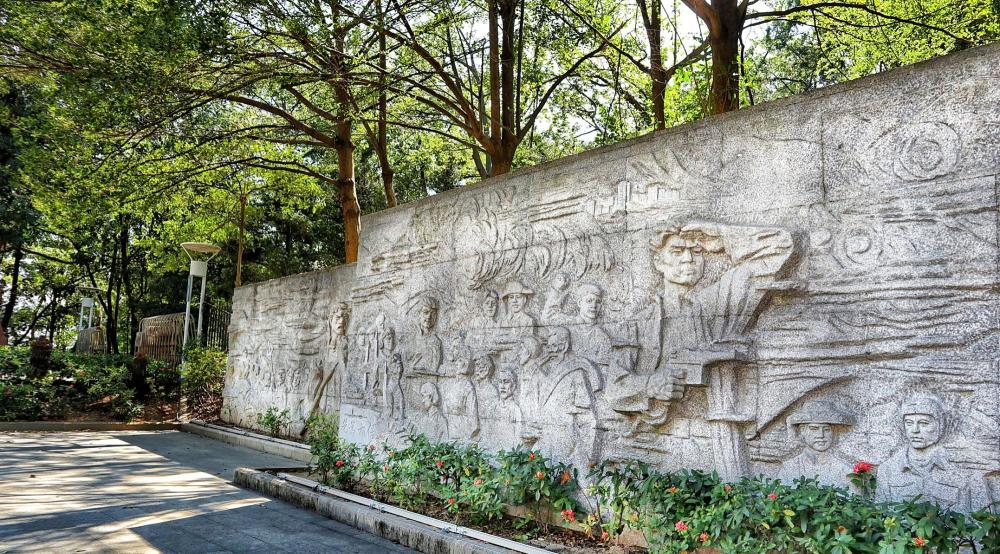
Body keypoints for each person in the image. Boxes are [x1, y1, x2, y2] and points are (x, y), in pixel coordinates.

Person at [877, 394, 992, 511]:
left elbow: (983, 522)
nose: (915, 430)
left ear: (939, 426)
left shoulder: (967, 471)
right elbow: (879, 517)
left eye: (924, 423)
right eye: (909, 423)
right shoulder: (887, 470)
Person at [776, 400, 855, 487]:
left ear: (834, 432)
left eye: (826, 430)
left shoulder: (845, 470)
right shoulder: (789, 467)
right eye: (814, 429)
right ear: (802, 431)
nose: (821, 435)